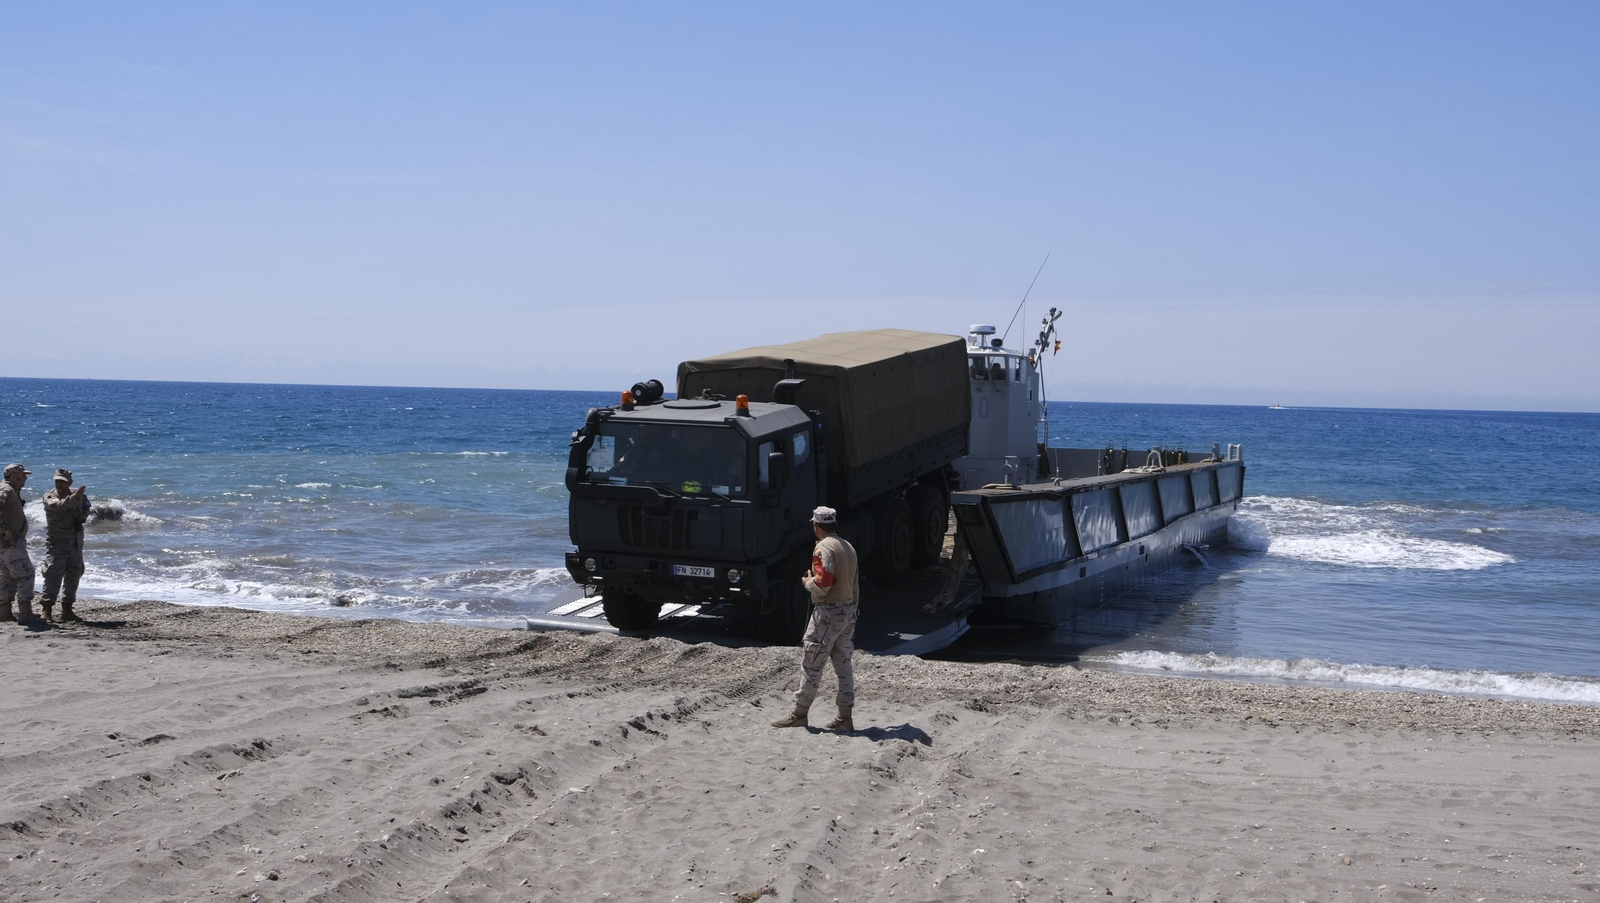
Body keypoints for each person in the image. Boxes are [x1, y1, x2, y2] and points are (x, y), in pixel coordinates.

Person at [771, 506, 860, 731]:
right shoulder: (848, 547)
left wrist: (807, 583)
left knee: (811, 664)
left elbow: (823, 582)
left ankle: (799, 714)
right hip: (848, 612)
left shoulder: (823, 548)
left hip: (828, 612)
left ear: (816, 525)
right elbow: (855, 584)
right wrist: (853, 610)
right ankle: (845, 717)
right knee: (844, 665)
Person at [40, 468, 90, 623]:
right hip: (57, 543)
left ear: (70, 482)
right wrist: (75, 497)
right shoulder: (50, 496)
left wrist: (81, 512)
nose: (59, 484)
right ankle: (46, 610)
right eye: (57, 481)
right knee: (53, 574)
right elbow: (59, 507)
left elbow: (86, 508)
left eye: (62, 481)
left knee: (74, 574)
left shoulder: (78, 495)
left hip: (75, 542)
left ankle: (67, 610)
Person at [0, 463, 37, 623]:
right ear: (14, 475)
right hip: (11, 542)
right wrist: (3, 527)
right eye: (23, 476)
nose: (25, 479)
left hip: (6, 543)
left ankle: (4, 613)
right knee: (26, 574)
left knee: (6, 577)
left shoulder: (10, 490)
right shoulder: (6, 490)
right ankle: (25, 614)